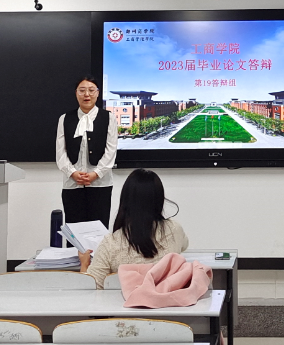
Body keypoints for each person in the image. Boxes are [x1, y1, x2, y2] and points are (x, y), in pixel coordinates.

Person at [81, 169, 188, 289]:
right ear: (160, 200)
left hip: (125, 300)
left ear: (125, 201)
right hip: (167, 300)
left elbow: (92, 287)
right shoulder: (175, 230)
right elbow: (184, 245)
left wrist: (84, 264)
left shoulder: (111, 243)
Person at [56, 76, 119, 227]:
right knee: (74, 230)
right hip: (72, 183)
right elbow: (60, 152)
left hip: (100, 183)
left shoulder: (109, 118)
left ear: (98, 93)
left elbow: (111, 150)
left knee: (98, 230)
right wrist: (72, 173)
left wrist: (95, 173)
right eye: (82, 90)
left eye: (91, 90)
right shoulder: (65, 118)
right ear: (76, 93)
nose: (87, 94)